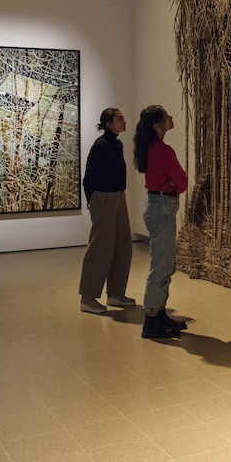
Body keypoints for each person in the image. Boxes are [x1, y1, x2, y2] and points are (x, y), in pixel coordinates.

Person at [133, 105, 188, 338]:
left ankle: (159, 312)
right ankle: (151, 319)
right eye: (166, 117)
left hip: (157, 205)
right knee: (161, 266)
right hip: (162, 208)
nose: (171, 118)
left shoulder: (151, 148)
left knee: (165, 263)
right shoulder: (163, 151)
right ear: (158, 126)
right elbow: (182, 182)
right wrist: (173, 184)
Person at [78, 108, 135, 313]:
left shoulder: (117, 144)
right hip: (103, 198)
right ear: (109, 124)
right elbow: (88, 178)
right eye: (120, 119)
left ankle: (116, 294)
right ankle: (88, 297)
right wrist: (92, 201)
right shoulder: (100, 145)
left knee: (122, 246)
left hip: (118, 197)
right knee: (100, 248)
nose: (124, 121)